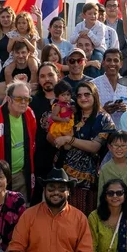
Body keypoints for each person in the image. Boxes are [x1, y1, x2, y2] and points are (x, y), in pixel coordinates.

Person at [52, 81, 114, 214]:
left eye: (87, 94)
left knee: (81, 217)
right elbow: (52, 136)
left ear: (95, 96)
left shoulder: (103, 119)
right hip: (61, 172)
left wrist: (69, 139)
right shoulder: (71, 114)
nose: (83, 98)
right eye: (79, 96)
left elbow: (94, 147)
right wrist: (58, 140)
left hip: (87, 179)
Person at [0, 80, 39, 198]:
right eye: (19, 99)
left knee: (22, 209)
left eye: (27, 99)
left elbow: (32, 143)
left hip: (22, 174)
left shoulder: (29, 113)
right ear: (9, 99)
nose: (24, 102)